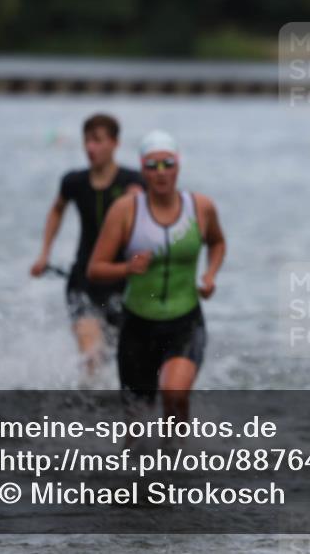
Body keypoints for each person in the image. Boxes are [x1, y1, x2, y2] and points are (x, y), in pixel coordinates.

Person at [88, 130, 225, 424]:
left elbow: (217, 242)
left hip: (184, 321)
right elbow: (95, 268)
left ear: (178, 166)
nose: (160, 173)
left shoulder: (200, 207)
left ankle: (179, 462)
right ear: (142, 170)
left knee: (174, 394)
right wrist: (126, 268)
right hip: (137, 326)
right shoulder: (126, 210)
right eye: (152, 166)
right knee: (136, 427)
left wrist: (210, 274)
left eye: (167, 164)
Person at [30, 114, 145, 379]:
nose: (91, 148)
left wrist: (140, 205)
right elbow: (56, 210)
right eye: (87, 141)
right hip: (83, 279)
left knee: (120, 357)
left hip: (123, 282)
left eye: (98, 141)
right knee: (91, 354)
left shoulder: (133, 182)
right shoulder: (74, 181)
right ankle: (87, 410)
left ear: (115, 143)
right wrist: (44, 253)